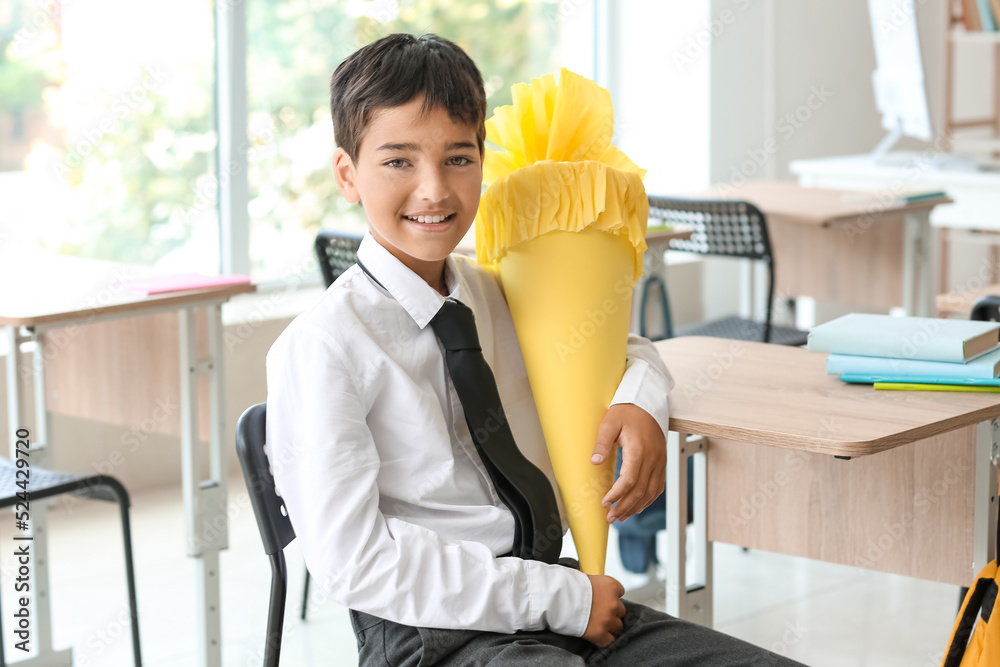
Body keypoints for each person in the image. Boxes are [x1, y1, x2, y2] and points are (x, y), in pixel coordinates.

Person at [266, 32, 803, 666]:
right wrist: (560, 599)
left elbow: (623, 348)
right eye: (399, 161)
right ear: (347, 174)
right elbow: (355, 563)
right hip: (433, 635)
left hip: (559, 595)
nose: (435, 190)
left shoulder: (495, 295)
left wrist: (639, 401)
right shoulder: (323, 346)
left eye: (459, 159)